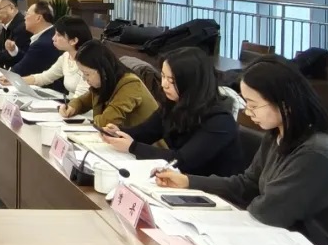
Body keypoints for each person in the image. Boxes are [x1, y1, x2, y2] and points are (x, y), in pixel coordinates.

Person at [154, 57, 328, 245]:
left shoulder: (317, 153)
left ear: (284, 104)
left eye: (253, 105)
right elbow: (248, 184)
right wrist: (189, 181)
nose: (247, 112)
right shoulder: (278, 135)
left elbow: (269, 212)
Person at [99, 47, 248, 177]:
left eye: (172, 80)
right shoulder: (174, 104)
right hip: (182, 181)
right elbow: (146, 132)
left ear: (191, 82)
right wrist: (118, 132)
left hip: (212, 191)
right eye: (163, 76)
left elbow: (182, 160)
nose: (164, 84)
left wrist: (132, 147)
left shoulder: (220, 121)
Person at [60, 40, 158, 127]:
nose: (85, 79)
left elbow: (107, 122)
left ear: (103, 71)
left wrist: (93, 121)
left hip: (144, 141)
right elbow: (82, 102)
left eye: (87, 74)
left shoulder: (131, 84)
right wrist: (72, 107)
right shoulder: (105, 83)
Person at [16, 16, 92, 97]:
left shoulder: (89, 62)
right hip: (70, 103)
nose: (53, 38)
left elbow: (81, 97)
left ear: (74, 40)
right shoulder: (66, 56)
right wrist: (16, 80)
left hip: (79, 104)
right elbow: (45, 77)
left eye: (58, 35)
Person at [1, 1, 60, 75]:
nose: (25, 18)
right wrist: (14, 50)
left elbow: (22, 68)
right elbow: (29, 59)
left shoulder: (42, 43)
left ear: (38, 18)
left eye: (27, 14)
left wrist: (4, 75)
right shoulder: (50, 34)